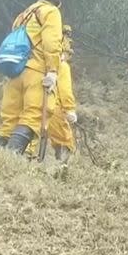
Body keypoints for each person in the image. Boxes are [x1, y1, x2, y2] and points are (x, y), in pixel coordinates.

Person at [0, 0, 66, 153]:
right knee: (33, 116)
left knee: (9, 120)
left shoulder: (24, 14)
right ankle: (10, 161)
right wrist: (53, 71)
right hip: (35, 72)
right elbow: (51, 43)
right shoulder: (51, 12)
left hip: (15, 72)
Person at [26, 24, 78, 162]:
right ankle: (62, 165)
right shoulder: (62, 66)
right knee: (64, 139)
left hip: (33, 102)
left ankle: (23, 159)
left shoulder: (39, 62)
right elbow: (65, 91)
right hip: (54, 108)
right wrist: (70, 110)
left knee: (32, 133)